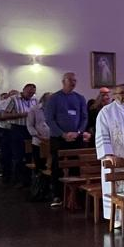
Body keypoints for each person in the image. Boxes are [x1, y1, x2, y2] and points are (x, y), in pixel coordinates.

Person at [43, 72, 89, 206]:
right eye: (70, 80)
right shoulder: (54, 98)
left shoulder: (80, 98)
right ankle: (57, 195)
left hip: (76, 137)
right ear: (63, 81)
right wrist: (62, 134)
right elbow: (49, 119)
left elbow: (84, 117)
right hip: (58, 138)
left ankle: (75, 195)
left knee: (76, 166)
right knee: (57, 166)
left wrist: (78, 132)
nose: (73, 82)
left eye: (75, 80)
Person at [94, 84, 124, 222]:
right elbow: (102, 133)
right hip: (115, 157)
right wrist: (108, 154)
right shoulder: (106, 112)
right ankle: (116, 219)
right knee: (116, 188)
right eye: (121, 93)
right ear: (114, 95)